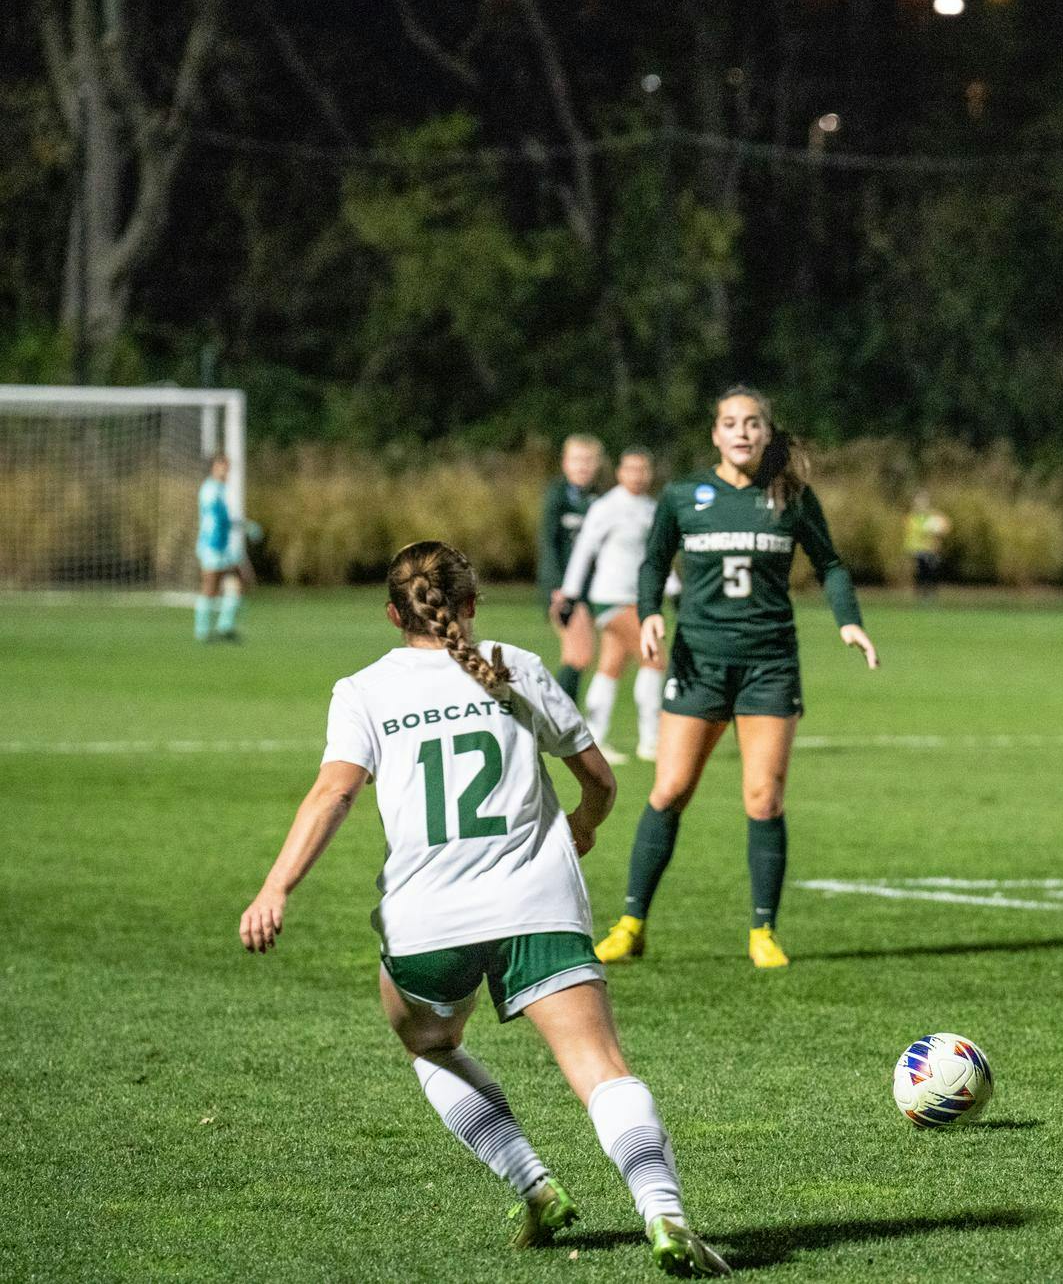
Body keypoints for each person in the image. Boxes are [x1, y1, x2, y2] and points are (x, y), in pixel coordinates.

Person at [236, 541, 728, 1276]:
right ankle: (664, 1212)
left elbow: (333, 792)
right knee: (600, 1067)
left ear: (392, 613)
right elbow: (597, 777)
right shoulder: (517, 665)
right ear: (470, 605)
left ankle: (534, 1185)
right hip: (539, 905)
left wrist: (276, 886)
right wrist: (584, 823)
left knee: (431, 1042)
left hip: (428, 919)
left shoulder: (364, 689)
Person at [595, 385, 879, 971]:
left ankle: (763, 932)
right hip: (699, 664)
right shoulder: (682, 496)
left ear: (767, 433)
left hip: (769, 667)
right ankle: (630, 923)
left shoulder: (791, 497)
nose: (743, 432)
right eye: (731, 423)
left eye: (753, 423)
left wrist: (848, 622)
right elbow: (654, 561)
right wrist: (649, 612)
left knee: (763, 797)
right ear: (715, 434)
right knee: (669, 790)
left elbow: (829, 564)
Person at [559, 448, 664, 765]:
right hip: (612, 596)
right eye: (631, 468)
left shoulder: (651, 507)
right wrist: (570, 592)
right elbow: (585, 550)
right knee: (655, 657)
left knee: (611, 666)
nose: (637, 475)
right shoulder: (607, 506)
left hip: (639, 596)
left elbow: (655, 557)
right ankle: (651, 739)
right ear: (619, 472)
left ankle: (595, 737)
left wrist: (673, 588)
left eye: (643, 469)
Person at [539, 435, 604, 703]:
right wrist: (557, 588)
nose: (582, 466)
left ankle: (563, 716)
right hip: (563, 591)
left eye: (588, 460)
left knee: (582, 656)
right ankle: (557, 712)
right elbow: (548, 544)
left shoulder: (600, 498)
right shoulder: (557, 495)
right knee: (579, 654)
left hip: (592, 590)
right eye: (577, 460)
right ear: (565, 463)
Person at [195, 454, 251, 643]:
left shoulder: (221, 488)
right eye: (222, 466)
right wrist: (240, 525)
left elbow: (224, 518)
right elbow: (216, 518)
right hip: (212, 544)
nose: (225, 470)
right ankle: (202, 630)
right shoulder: (210, 489)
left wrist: (241, 525)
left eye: (227, 467)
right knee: (211, 586)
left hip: (223, 545)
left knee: (239, 580)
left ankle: (225, 625)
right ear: (214, 467)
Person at [903, 491, 951, 600]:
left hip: (930, 548)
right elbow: (909, 534)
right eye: (919, 501)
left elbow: (945, 526)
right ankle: (921, 593)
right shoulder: (911, 517)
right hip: (917, 549)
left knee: (931, 570)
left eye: (923, 501)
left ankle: (931, 592)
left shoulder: (933, 516)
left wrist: (937, 535)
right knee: (921, 571)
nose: (921, 504)